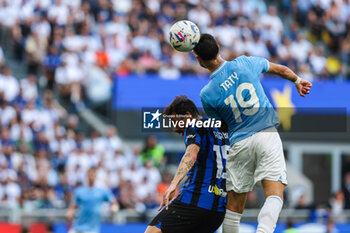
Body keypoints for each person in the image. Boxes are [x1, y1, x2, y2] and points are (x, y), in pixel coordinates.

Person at [193, 34, 312, 233]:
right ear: (218, 47)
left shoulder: (207, 94)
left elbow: (222, 126)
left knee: (233, 208)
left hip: (240, 143)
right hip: (266, 134)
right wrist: (297, 81)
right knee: (275, 195)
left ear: (198, 59)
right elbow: (281, 69)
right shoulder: (244, 63)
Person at [145, 95, 229, 233]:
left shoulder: (194, 126)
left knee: (152, 231)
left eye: (175, 121)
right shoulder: (223, 129)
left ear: (188, 116)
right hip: (217, 212)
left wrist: (173, 184)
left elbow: (191, 154)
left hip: (194, 203)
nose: (174, 128)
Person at [66, 168, 119, 233]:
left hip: (92, 229)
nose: (91, 176)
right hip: (77, 227)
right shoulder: (79, 191)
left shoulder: (102, 191)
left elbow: (114, 203)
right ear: (86, 176)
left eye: (93, 174)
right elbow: (72, 207)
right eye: (90, 174)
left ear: (96, 176)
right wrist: (70, 213)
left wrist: (114, 209)